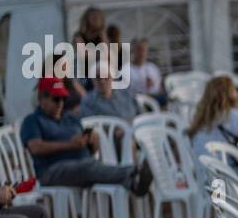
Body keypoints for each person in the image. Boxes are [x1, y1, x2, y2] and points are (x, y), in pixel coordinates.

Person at [20, 77, 152, 195]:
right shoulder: (32, 120)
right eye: (56, 99)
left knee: (92, 166)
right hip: (51, 170)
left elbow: (90, 150)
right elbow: (36, 147)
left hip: (82, 165)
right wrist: (70, 145)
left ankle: (132, 183)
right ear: (41, 97)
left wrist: (93, 142)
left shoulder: (70, 117)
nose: (61, 103)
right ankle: (132, 173)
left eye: (63, 98)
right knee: (89, 168)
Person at [188, 73, 238, 158]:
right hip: (223, 167)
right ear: (229, 92)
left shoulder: (202, 117)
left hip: (202, 167)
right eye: (235, 88)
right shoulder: (230, 114)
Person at [125, 38, 165, 106]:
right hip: (138, 102)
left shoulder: (153, 67)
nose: (142, 53)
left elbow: (160, 89)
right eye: (139, 49)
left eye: (144, 50)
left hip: (157, 100)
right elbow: (125, 94)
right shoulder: (126, 70)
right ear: (132, 51)